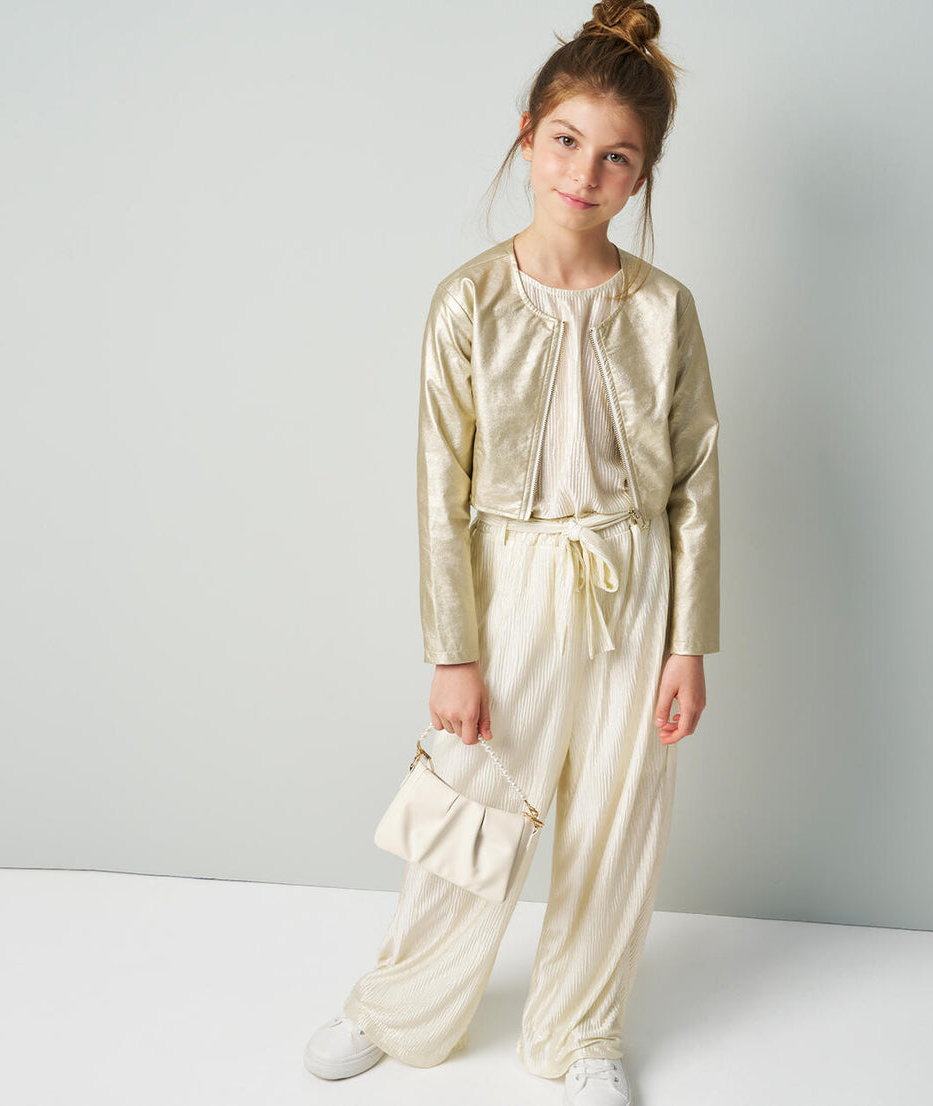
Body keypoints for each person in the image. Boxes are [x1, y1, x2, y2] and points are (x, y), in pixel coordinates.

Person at [303, 2, 721, 1102]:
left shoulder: (665, 310)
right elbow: (438, 492)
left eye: (616, 156)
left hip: (633, 584)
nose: (586, 172)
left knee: (617, 813)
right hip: (513, 582)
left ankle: (581, 1031)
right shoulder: (470, 301)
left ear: (642, 174)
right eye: (567, 141)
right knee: (471, 802)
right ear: (529, 135)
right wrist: (454, 650)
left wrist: (688, 642)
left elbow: (695, 482)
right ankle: (402, 1003)